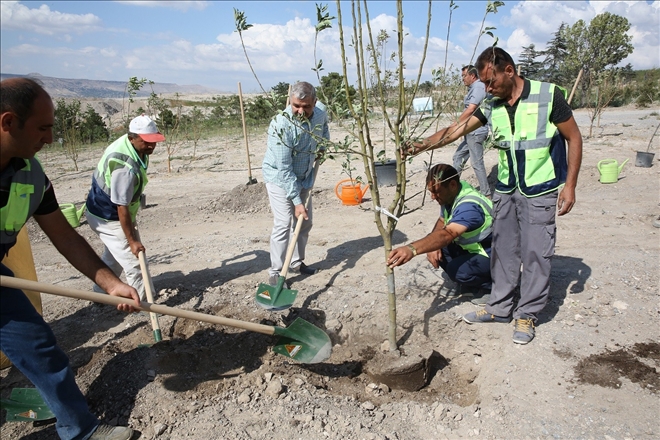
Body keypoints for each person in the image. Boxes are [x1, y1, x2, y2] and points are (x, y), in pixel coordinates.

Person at [404, 47, 583, 344]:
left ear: (509, 71)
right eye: (484, 84)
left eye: (491, 82)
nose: (487, 88)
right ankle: (499, 306)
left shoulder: (548, 96)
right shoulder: (491, 104)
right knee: (503, 249)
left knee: (536, 253)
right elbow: (455, 130)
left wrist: (571, 185)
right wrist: (419, 146)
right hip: (506, 187)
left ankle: (526, 313)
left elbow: (573, 137)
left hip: (540, 188)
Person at [1, 78, 138, 439]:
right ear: (8, 122)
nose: (49, 139)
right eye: (43, 128)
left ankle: (79, 430)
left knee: (40, 348)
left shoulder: (31, 176)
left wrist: (111, 283)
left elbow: (64, 236)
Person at [86, 114, 165, 300]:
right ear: (132, 138)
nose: (152, 145)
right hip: (108, 216)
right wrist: (132, 242)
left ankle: (100, 295)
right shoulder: (125, 168)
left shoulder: (131, 145)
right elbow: (121, 207)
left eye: (154, 141)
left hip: (107, 210)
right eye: (147, 142)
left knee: (113, 257)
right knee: (135, 263)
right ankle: (146, 305)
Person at [387, 164, 493, 300]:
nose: (432, 197)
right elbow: (442, 221)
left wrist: (412, 249)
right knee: (438, 248)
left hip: (495, 255)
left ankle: (492, 288)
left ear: (453, 185)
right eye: (431, 192)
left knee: (457, 270)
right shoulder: (451, 194)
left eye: (436, 192)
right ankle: (469, 284)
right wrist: (433, 247)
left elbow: (447, 234)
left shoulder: (469, 207)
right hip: (477, 249)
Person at [262, 81, 329, 287]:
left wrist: (323, 146)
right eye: (296, 106)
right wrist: (297, 201)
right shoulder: (281, 124)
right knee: (284, 223)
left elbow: (324, 129)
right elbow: (284, 169)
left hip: (305, 175)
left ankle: (296, 262)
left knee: (305, 223)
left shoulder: (321, 112)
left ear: (314, 102)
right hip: (280, 178)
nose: (300, 111)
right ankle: (275, 272)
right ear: (290, 101)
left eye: (306, 107)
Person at [452, 65, 491, 198]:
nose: (462, 79)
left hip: (477, 132)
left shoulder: (479, 87)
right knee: (458, 157)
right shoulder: (473, 88)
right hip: (470, 132)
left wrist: (456, 125)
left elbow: (471, 109)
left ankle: (486, 194)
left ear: (472, 76)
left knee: (476, 162)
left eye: (464, 76)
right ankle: (452, 187)